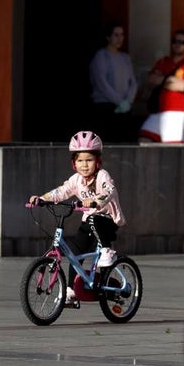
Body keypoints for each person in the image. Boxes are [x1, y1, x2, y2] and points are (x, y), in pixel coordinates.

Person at [29, 131, 126, 307]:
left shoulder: (103, 176)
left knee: (94, 220)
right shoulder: (76, 180)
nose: (84, 165)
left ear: (98, 161)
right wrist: (42, 198)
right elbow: (62, 191)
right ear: (74, 163)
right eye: (80, 161)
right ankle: (71, 292)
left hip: (107, 219)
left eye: (89, 160)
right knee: (75, 253)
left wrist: (96, 201)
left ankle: (106, 251)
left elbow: (109, 191)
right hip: (89, 220)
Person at [89, 21, 139, 143]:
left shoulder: (125, 57)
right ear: (108, 37)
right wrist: (119, 101)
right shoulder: (101, 55)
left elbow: (133, 82)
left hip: (125, 109)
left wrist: (128, 100)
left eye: (121, 35)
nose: (119, 38)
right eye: (116, 35)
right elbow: (101, 82)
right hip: (107, 107)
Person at [138, 29, 184, 144]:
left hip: (177, 111)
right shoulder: (163, 61)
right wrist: (170, 81)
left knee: (172, 147)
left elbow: (183, 86)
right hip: (159, 110)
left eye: (182, 42)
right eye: (175, 41)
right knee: (144, 140)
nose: (178, 44)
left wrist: (161, 79)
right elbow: (150, 80)